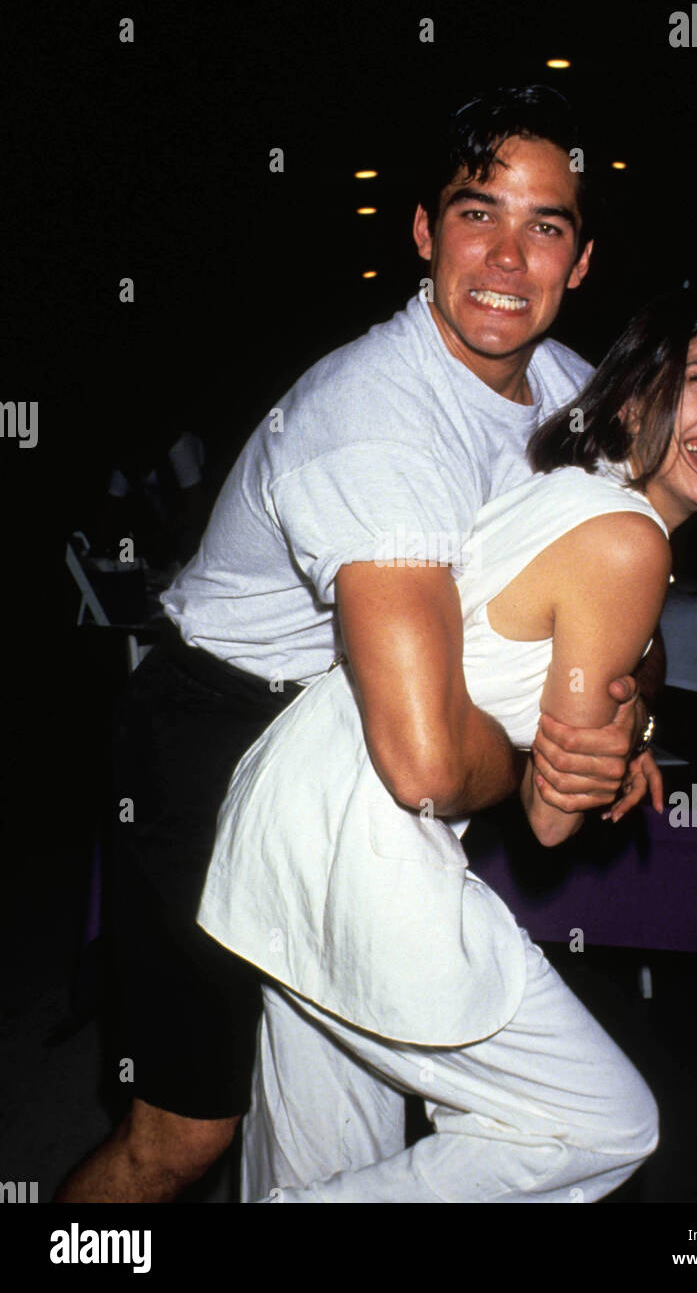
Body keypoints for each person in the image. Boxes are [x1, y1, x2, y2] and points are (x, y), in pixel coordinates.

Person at [56, 85, 662, 1204]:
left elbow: (622, 575)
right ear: (424, 233)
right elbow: (427, 763)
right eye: (478, 213)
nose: (507, 254)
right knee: (183, 1136)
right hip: (224, 736)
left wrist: (621, 720)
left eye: (547, 225)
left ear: (580, 263)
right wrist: (548, 762)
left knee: (345, 1122)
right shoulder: (374, 417)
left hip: (352, 747)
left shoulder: (575, 392)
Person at [198, 292, 697, 1203]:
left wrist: (626, 727)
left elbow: (586, 666)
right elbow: (551, 821)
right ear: (633, 400)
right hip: (362, 848)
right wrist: (606, 747)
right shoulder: (629, 544)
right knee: (599, 1122)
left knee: (326, 1164)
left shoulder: (569, 489)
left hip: (288, 810)